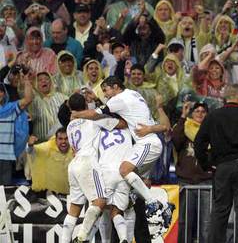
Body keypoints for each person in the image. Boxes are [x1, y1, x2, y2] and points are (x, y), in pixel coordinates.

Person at [70, 76, 170, 216]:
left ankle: (155, 203)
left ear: (116, 87)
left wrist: (76, 114)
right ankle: (140, 200)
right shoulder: (133, 94)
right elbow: (110, 111)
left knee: (124, 170)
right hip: (144, 143)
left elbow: (95, 114)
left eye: (106, 90)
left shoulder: (119, 99)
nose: (105, 94)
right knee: (134, 179)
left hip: (147, 143)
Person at [194, 83, 238, 243]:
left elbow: (199, 142)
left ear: (225, 97)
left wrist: (207, 164)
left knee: (220, 210)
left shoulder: (213, 116)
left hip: (221, 167)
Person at [61, 93, 126, 243]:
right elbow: (121, 124)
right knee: (100, 201)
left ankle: (64, 240)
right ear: (85, 104)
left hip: (74, 165)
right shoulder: (93, 120)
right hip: (87, 163)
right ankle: (82, 237)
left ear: (71, 108)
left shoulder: (70, 125)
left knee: (74, 209)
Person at [172, 101, 212, 243]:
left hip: (206, 182)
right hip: (186, 182)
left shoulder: (212, 130)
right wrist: (183, 116)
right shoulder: (185, 127)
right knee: (183, 221)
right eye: (197, 111)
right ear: (191, 113)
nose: (200, 113)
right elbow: (175, 140)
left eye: (203, 111)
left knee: (206, 223)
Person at [0, 74, 32, 185]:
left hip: (5, 157)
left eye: (0, 91)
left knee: (4, 192)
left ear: (4, 94)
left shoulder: (11, 109)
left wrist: (27, 81)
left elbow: (28, 99)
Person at [26, 127, 73, 195]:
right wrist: (30, 145)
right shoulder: (46, 147)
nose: (63, 142)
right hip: (46, 195)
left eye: (66, 139)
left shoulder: (74, 149)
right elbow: (30, 151)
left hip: (69, 194)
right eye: (60, 139)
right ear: (56, 139)